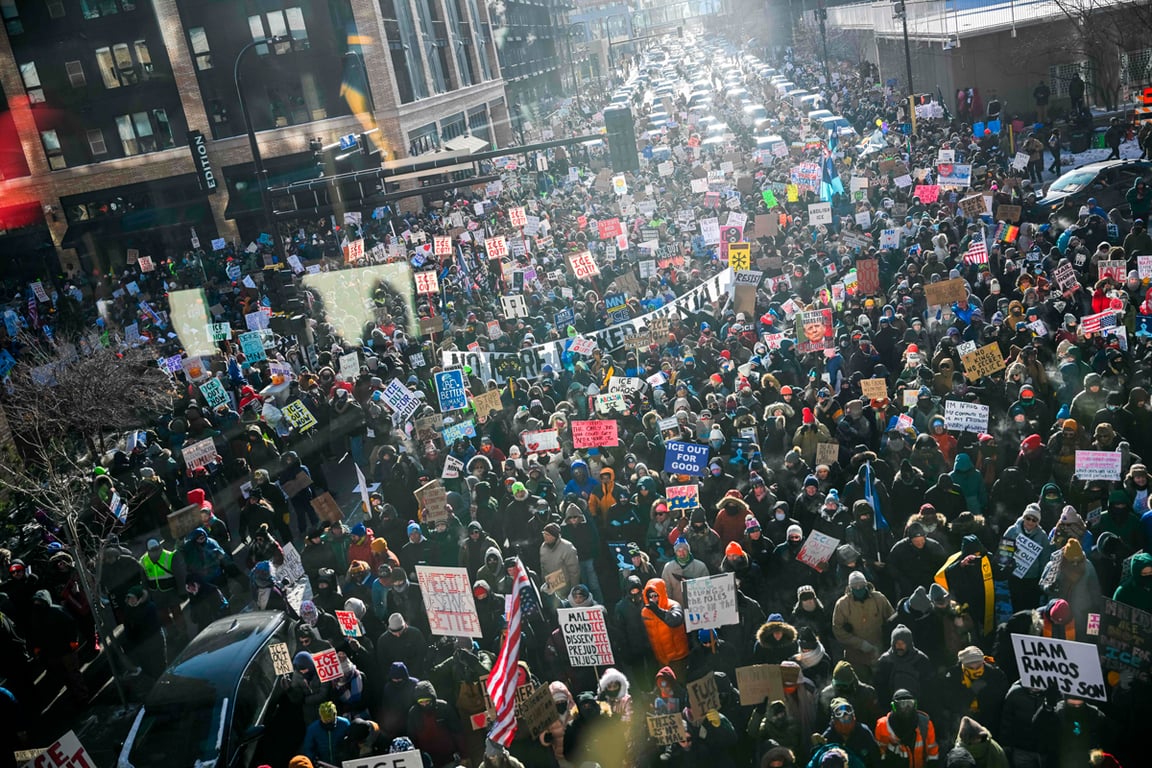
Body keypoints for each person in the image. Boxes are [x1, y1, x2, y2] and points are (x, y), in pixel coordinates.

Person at [873, 689, 940, 768]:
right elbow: (879, 753)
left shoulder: (925, 724)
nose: (907, 708)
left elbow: (932, 752)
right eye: (902, 705)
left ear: (915, 705)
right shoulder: (883, 725)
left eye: (909, 703)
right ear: (894, 707)